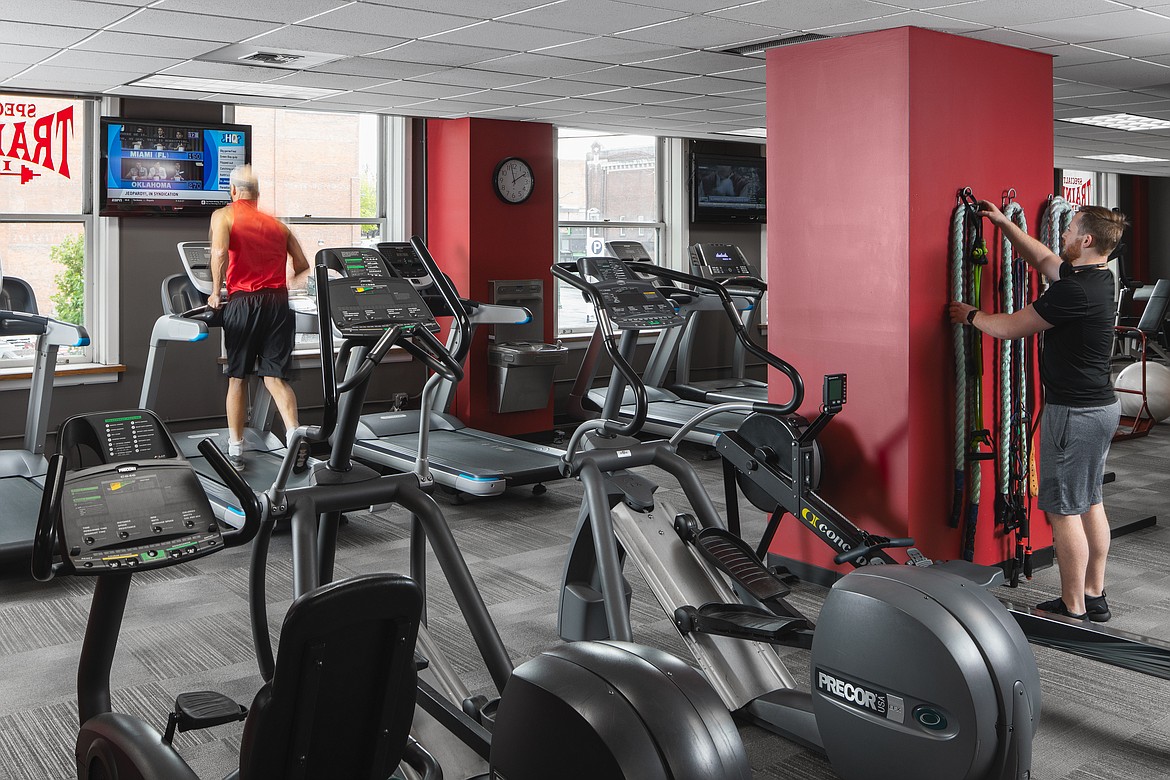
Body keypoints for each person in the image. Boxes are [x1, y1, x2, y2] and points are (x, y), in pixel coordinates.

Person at [948, 202, 1125, 622]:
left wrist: (969, 315)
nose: (1062, 237)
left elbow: (1009, 328)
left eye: (1070, 231)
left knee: (1062, 508)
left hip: (1074, 415)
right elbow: (1045, 259)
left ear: (1085, 240)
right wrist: (1004, 223)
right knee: (1090, 501)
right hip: (1102, 407)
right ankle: (1093, 595)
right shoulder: (1099, 278)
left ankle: (1072, 606)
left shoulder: (1074, 291)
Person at [207, 165, 311, 473]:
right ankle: (294, 434)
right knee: (274, 377)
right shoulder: (278, 226)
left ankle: (235, 449)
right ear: (258, 194)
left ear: (233, 191)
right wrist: (283, 284)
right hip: (278, 303)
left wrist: (215, 292)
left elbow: (219, 253)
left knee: (238, 378)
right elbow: (303, 263)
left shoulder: (224, 216)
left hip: (243, 302)